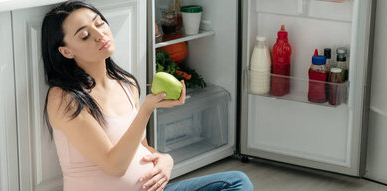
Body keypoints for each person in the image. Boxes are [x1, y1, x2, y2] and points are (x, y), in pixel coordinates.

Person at [41, 1, 253, 191]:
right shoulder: (65, 98)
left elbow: (141, 147)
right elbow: (114, 165)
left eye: (99, 23)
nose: (99, 35)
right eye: (84, 35)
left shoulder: (127, 84)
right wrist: (147, 109)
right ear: (66, 52)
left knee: (237, 182)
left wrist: (165, 159)